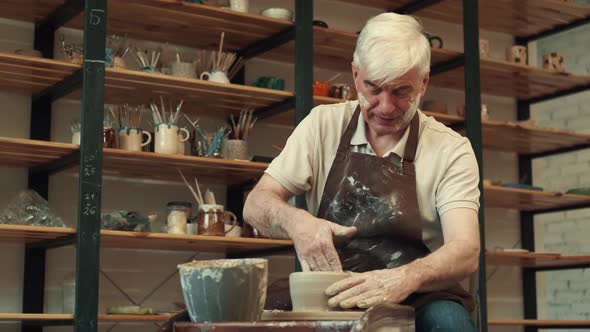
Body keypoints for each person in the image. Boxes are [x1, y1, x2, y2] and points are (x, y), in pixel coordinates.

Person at [243, 12, 480, 331]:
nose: (385, 107)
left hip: (417, 292)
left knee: (449, 324)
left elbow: (465, 250)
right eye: (373, 89)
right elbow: (255, 204)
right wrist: (296, 221)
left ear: (423, 83)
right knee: (228, 315)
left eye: (400, 92)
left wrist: (404, 277)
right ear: (356, 75)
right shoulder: (321, 125)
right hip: (329, 290)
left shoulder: (450, 149)